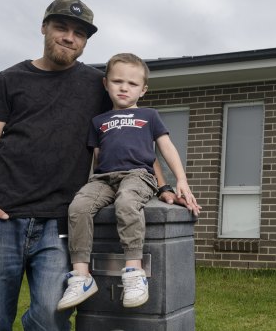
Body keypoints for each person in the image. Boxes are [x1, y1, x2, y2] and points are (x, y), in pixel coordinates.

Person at [0, 0, 198, 331]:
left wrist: (163, 187)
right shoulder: (9, 79)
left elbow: (136, 140)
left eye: (79, 33)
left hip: (59, 220)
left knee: (50, 315)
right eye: (61, 27)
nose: (69, 37)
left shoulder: (96, 85)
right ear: (45, 27)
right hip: (3, 215)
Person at [56, 53, 200, 311]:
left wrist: (181, 180)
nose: (124, 88)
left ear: (143, 90)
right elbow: (97, 159)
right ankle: (81, 277)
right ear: (106, 84)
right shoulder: (98, 122)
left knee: (126, 202)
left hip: (138, 176)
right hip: (103, 178)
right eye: (117, 81)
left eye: (132, 84)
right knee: (77, 208)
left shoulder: (149, 116)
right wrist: (88, 187)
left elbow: (166, 148)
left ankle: (134, 272)